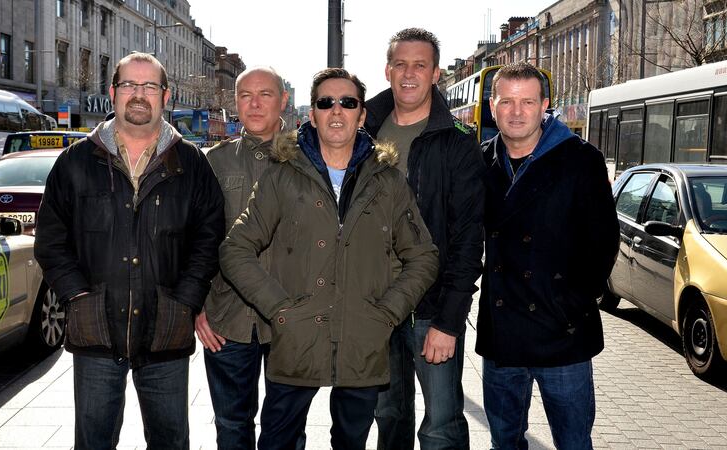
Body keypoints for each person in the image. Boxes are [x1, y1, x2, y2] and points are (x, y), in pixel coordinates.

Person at [219, 68, 439, 450]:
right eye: (326, 102)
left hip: (361, 344)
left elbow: (423, 256)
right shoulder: (281, 176)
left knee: (351, 442)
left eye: (348, 102)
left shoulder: (387, 182)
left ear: (361, 115)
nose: (336, 111)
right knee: (277, 441)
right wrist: (279, 310)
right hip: (296, 342)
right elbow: (235, 248)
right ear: (313, 114)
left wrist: (387, 313)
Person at [34, 52, 225, 450]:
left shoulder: (191, 164)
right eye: (129, 85)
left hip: (166, 332)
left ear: (166, 96)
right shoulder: (75, 161)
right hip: (96, 332)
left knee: (171, 440)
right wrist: (77, 298)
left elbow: (208, 239)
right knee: (93, 442)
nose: (139, 94)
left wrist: (185, 301)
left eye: (150, 86)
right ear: (113, 93)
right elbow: (51, 240)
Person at [477, 61, 620, 449]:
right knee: (505, 441)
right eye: (507, 102)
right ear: (492, 107)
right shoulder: (482, 161)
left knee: (573, 442)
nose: (517, 112)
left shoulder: (580, 159)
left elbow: (603, 241)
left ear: (544, 106)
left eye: (527, 102)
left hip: (562, 332)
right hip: (503, 333)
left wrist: (572, 302)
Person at [364, 27, 485, 449]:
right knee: (388, 418)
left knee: (441, 428)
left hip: (432, 311)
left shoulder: (458, 143)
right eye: (401, 64)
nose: (409, 73)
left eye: (420, 65)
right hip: (376, 309)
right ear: (387, 71)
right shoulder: (363, 135)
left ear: (435, 74)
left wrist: (449, 322)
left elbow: (469, 241)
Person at [194, 66, 290, 450]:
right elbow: (196, 239)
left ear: (283, 100)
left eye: (265, 94)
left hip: (290, 322)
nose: (254, 104)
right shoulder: (215, 162)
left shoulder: (308, 158)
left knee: (285, 431)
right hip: (227, 321)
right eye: (245, 95)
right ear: (235, 102)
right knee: (232, 426)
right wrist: (197, 308)